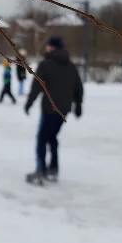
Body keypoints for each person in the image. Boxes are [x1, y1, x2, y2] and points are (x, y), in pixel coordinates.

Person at [23, 37, 83, 185]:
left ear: (52, 48)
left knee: (42, 139)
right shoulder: (70, 65)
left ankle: (41, 170)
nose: (46, 48)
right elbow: (78, 87)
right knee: (52, 137)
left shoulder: (45, 64)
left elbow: (37, 86)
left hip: (49, 108)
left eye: (48, 46)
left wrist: (29, 103)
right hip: (64, 109)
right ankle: (53, 168)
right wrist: (78, 105)